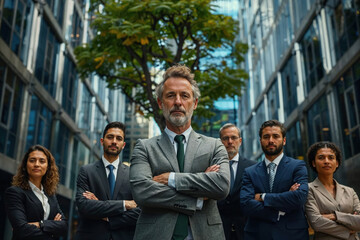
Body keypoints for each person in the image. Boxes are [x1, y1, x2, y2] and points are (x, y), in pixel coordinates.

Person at [129, 64, 230, 240]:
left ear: (195, 103)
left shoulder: (215, 146)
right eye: (170, 95)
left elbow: (221, 185)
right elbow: (142, 192)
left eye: (184, 95)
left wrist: (171, 179)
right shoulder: (144, 147)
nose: (178, 102)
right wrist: (197, 198)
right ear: (160, 103)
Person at [240, 120, 309, 240]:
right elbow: (246, 204)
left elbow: (299, 198)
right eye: (266, 137)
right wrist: (278, 209)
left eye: (275, 136)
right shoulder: (249, 172)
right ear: (260, 141)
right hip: (258, 234)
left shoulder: (297, 166)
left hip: (292, 235)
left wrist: (263, 197)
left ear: (284, 140)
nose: (271, 140)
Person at [75, 122, 140, 240]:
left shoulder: (133, 174)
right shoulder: (86, 171)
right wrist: (124, 204)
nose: (114, 141)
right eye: (110, 137)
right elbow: (84, 206)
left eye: (119, 138)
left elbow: (140, 211)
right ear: (102, 141)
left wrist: (107, 216)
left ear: (123, 144)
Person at [4, 145, 67, 239]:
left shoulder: (50, 194)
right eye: (32, 160)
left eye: (42, 161)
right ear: (25, 165)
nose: (37, 164)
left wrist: (40, 224)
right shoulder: (15, 192)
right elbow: (21, 230)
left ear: (48, 166)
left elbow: (64, 225)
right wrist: (52, 231)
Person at [305, 142, 360, 240]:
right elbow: (316, 222)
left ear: (337, 163)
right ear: (313, 163)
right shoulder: (308, 189)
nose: (326, 161)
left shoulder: (349, 191)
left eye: (331, 157)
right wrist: (348, 228)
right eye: (321, 158)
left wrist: (334, 216)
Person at [217, 123, 256, 240]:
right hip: (219, 231)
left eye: (233, 138)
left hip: (246, 231)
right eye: (225, 138)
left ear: (240, 141)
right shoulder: (211, 168)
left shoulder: (253, 167)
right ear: (220, 142)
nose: (230, 142)